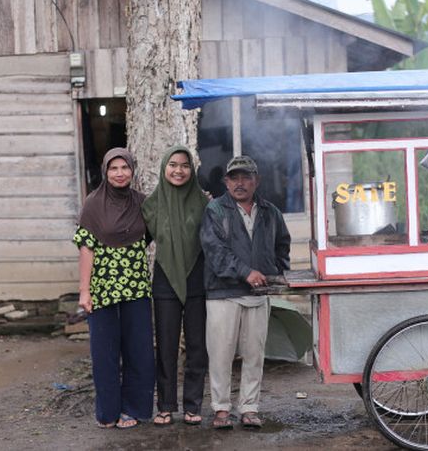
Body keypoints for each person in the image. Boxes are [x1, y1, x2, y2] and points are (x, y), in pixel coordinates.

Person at [199, 155, 291, 430]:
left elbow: (282, 245)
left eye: (246, 177)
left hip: (258, 295)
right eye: (234, 178)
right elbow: (214, 252)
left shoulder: (270, 211)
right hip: (223, 293)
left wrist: (275, 274)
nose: (240, 183)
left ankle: (249, 408)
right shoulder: (215, 210)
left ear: (256, 181)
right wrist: (246, 272)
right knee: (220, 355)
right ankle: (221, 409)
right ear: (226, 182)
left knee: (254, 354)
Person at [73, 147, 154, 429]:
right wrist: (84, 291)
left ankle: (134, 408)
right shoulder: (93, 204)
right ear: (106, 172)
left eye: (125, 168)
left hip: (136, 286)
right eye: (113, 168)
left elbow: (165, 224)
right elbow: (86, 249)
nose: (120, 174)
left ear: (133, 170)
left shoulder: (143, 203)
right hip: (102, 287)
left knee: (139, 349)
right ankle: (107, 412)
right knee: (104, 352)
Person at [142, 145, 209, 426]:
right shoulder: (150, 205)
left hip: (197, 281)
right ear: (163, 167)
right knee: (166, 347)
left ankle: (193, 405)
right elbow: (137, 243)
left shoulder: (205, 203)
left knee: (197, 347)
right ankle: (166, 405)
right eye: (173, 164)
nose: (178, 170)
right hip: (165, 282)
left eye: (184, 165)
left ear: (191, 170)